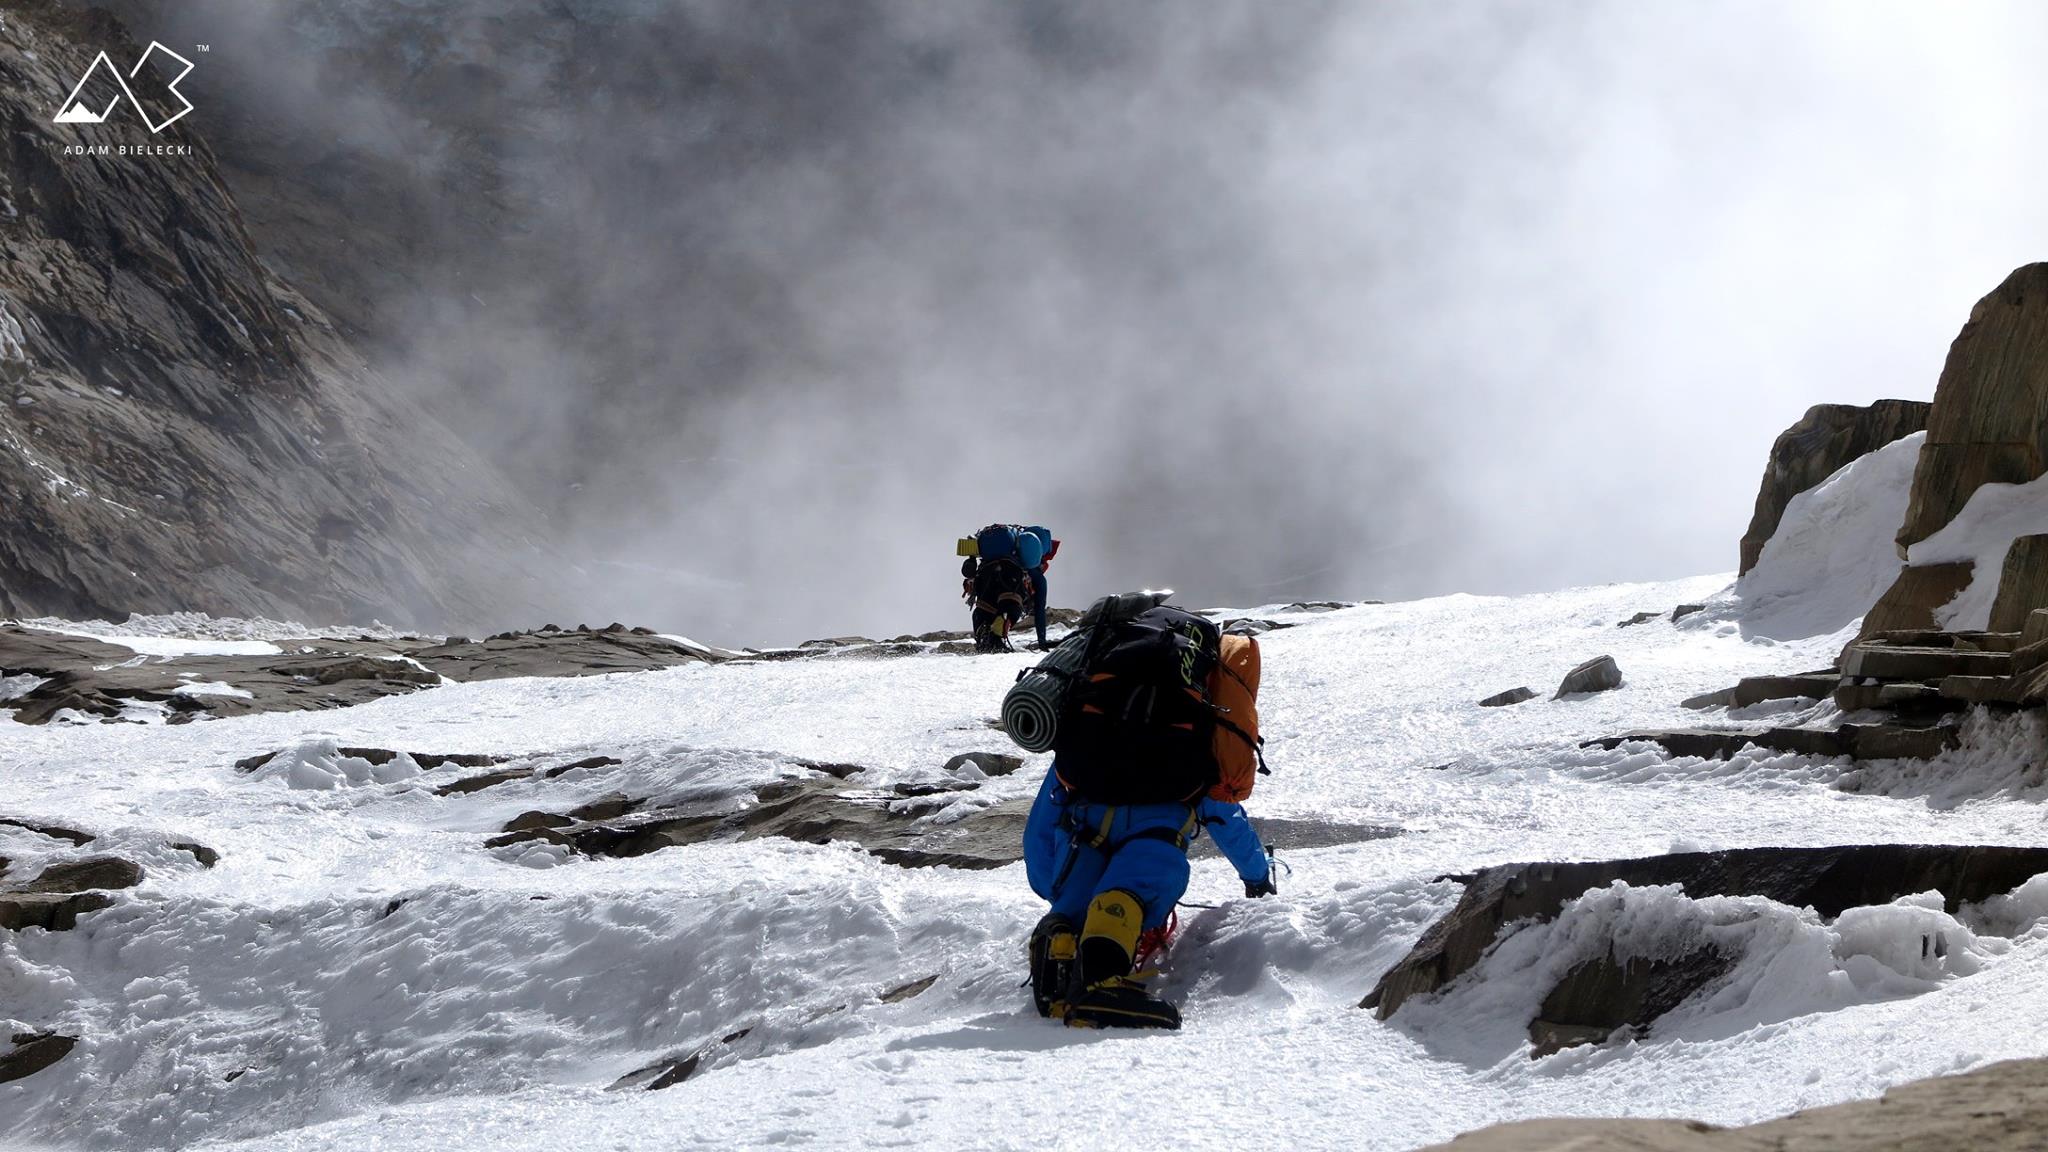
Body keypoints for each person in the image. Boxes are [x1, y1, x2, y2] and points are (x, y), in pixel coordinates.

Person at [1021, 763, 1275, 1029]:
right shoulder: (1197, 730)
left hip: (1081, 834)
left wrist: (1056, 894)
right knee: (1130, 890)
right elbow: (1225, 816)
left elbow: (1042, 820)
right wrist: (1257, 876)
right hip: (1155, 834)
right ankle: (1099, 981)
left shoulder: (1093, 722)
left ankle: (1063, 940)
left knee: (1080, 899)